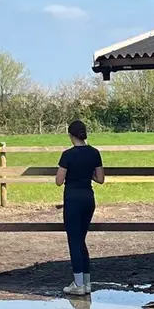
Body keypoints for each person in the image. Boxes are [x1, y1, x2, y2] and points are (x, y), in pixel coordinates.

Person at [54, 119, 105, 296]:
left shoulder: (67, 155)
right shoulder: (95, 153)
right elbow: (100, 179)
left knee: (74, 241)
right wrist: (86, 173)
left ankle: (78, 283)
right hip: (88, 199)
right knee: (81, 240)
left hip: (73, 199)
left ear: (71, 135)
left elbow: (59, 181)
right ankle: (87, 282)